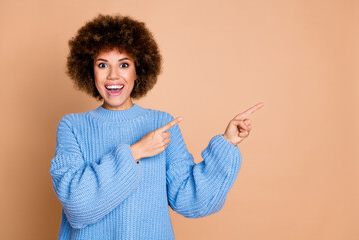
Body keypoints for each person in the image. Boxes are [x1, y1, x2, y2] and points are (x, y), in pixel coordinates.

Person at [49, 14, 264, 240]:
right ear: (89, 71)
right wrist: (136, 152)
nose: (113, 75)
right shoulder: (72, 126)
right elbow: (77, 204)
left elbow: (189, 198)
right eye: (102, 65)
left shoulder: (162, 123)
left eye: (124, 64)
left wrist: (227, 144)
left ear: (138, 70)